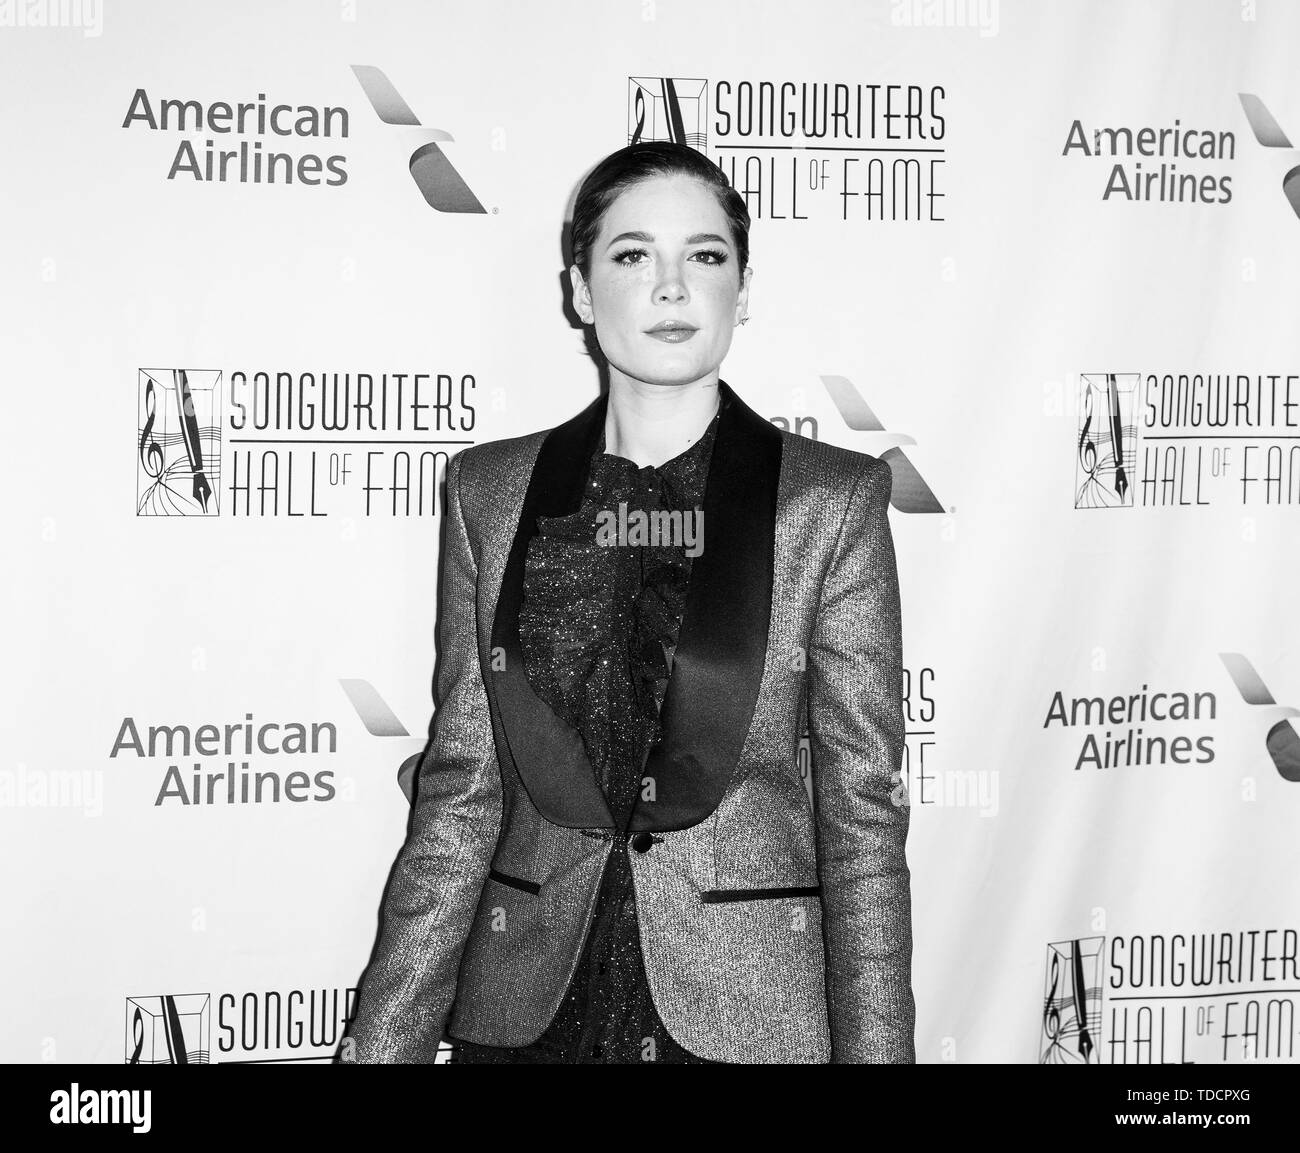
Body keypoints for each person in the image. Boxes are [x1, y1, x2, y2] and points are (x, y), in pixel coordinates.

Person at [341, 140, 914, 1064]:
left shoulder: (828, 503)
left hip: (748, 1020)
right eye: (634, 255)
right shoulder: (490, 495)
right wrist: (384, 1045)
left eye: (706, 256)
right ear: (580, 289)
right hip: (525, 1015)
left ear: (743, 287)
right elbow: (460, 792)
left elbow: (863, 814)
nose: (673, 287)